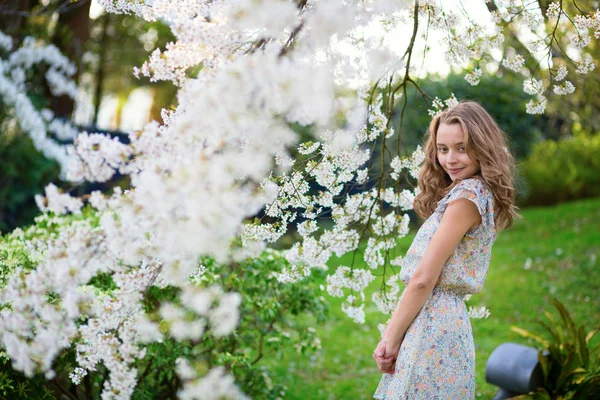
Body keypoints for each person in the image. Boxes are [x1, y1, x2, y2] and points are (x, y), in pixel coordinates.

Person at [372, 101, 519, 399]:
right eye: (443, 149)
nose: (450, 159)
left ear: (482, 146)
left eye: (462, 148)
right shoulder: (475, 192)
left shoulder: (467, 196)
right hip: (442, 323)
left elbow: (424, 277)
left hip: (433, 327)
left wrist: (389, 337)